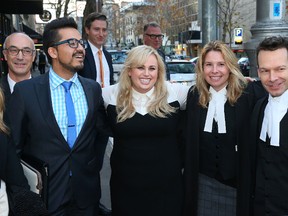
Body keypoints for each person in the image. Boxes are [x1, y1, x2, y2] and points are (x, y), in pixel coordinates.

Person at [6, 17, 107, 216]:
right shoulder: (26, 92)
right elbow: (13, 148)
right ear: (52, 51)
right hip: (44, 199)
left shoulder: (92, 89)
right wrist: (23, 194)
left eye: (80, 42)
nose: (80, 48)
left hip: (86, 197)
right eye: (71, 43)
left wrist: (92, 166)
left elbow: (99, 135)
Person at [102, 45, 189, 216]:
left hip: (167, 186)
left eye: (152, 68)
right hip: (125, 187)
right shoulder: (108, 95)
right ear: (129, 71)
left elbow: (207, 93)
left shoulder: (177, 93)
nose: (146, 74)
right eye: (140, 67)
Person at [183, 40, 264, 216]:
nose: (214, 71)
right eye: (209, 65)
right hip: (202, 185)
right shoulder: (194, 96)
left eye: (221, 64)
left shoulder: (248, 95)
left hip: (236, 187)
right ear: (201, 68)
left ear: (230, 67)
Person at [78, 12, 114, 216]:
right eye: (96, 29)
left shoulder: (107, 55)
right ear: (87, 30)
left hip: (104, 117)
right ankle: (86, 206)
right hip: (87, 119)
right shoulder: (81, 54)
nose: (101, 34)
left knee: (98, 165)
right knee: (85, 166)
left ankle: (95, 203)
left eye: (104, 30)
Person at [250, 36, 288, 215]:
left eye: (280, 69)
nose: (272, 78)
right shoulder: (259, 107)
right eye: (265, 70)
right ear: (258, 72)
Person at [0, 32, 36, 107]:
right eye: (13, 50)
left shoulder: (47, 91)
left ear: (33, 56)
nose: (20, 57)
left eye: (26, 51)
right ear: (5, 55)